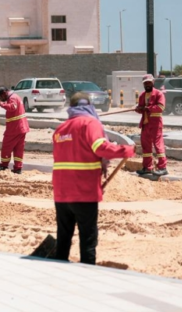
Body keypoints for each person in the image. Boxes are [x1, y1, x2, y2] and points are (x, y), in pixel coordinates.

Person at [51, 92, 133, 264]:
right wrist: (126, 150)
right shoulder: (90, 123)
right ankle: (87, 274)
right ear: (89, 106)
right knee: (88, 238)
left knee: (63, 237)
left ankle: (58, 271)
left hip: (62, 193)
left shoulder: (61, 129)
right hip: (83, 191)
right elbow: (100, 147)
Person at [135, 74, 167, 177]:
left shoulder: (159, 94)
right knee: (146, 147)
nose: (147, 84)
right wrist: (138, 109)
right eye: (145, 83)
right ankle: (147, 167)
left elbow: (160, 107)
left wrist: (148, 108)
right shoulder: (142, 96)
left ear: (153, 82)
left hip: (155, 124)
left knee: (158, 145)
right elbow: (141, 108)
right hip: (145, 124)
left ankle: (162, 167)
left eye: (149, 82)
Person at [0, 86, 29, 174]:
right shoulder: (15, 96)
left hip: (14, 129)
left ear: (4, 93)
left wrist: (1, 104)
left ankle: (4, 165)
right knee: (18, 149)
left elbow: (12, 107)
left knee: (6, 147)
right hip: (21, 128)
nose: (2, 99)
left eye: (1, 97)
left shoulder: (13, 98)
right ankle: (18, 168)